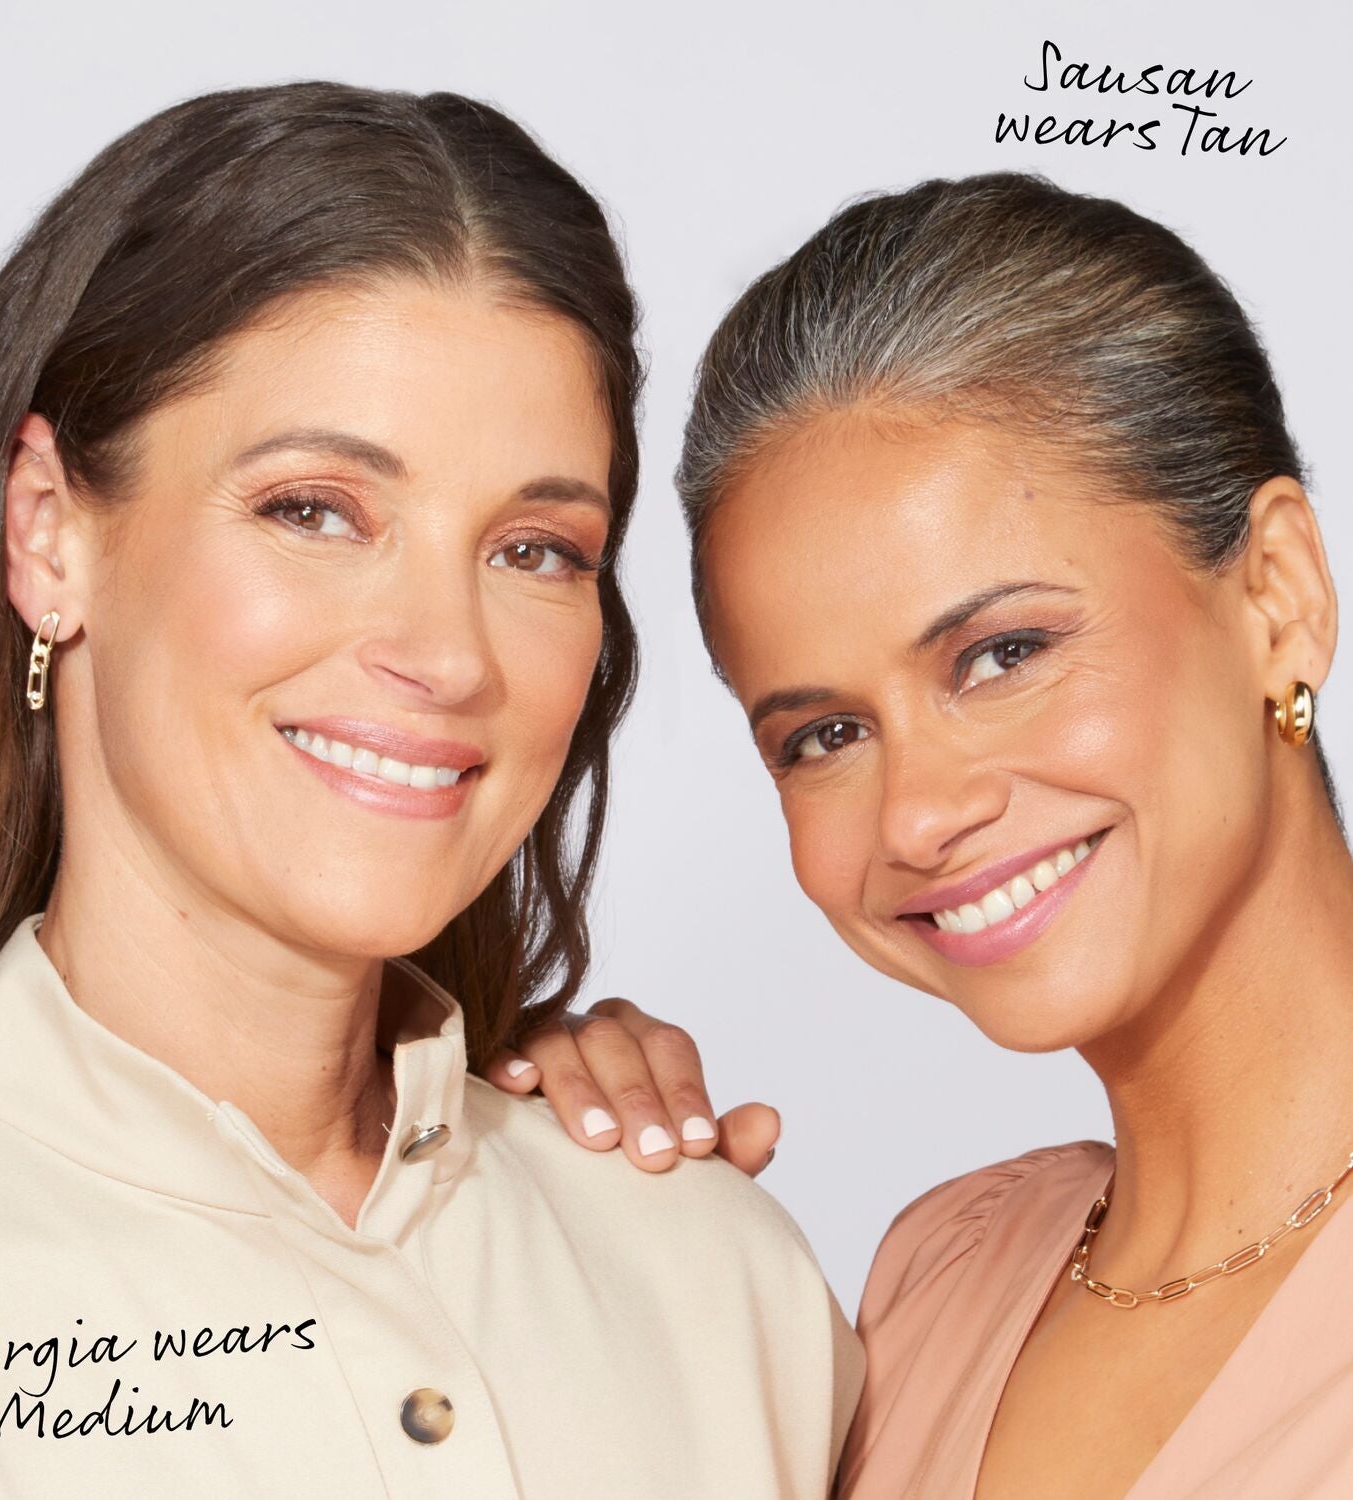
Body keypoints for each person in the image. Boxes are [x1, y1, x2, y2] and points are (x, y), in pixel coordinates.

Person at [0, 80, 863, 1498]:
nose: (447, 657)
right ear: (48, 534)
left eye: (534, 550)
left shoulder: (717, 1281)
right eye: (314, 510)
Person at [516, 170, 1353, 1498]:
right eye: (823, 737)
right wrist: (535, 1208)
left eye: (1004, 652)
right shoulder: (941, 1281)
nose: (916, 814)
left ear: (1277, 597)